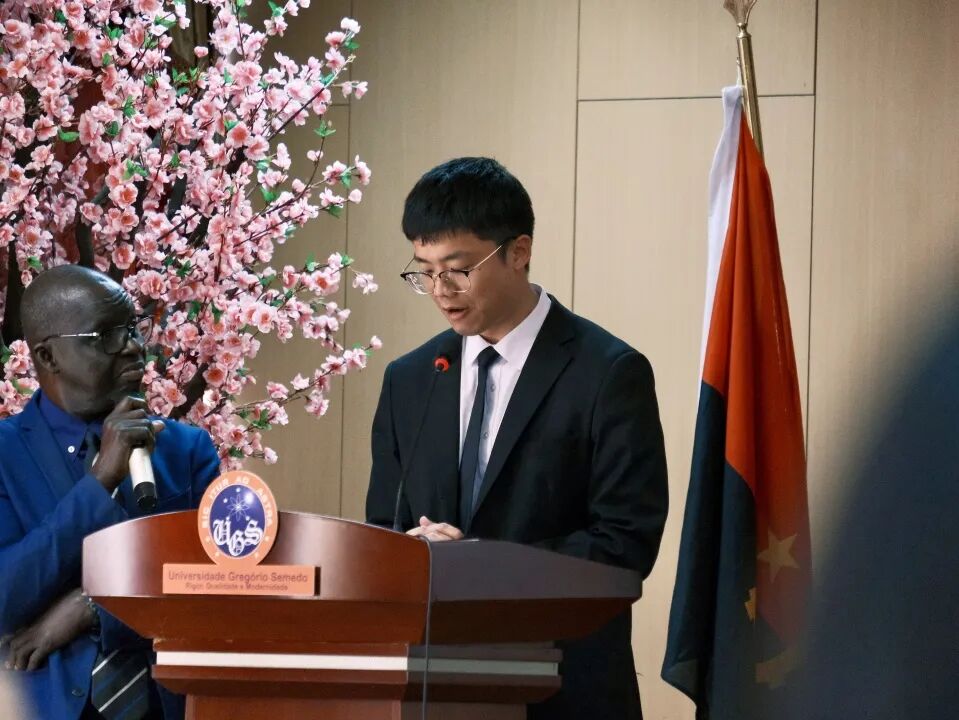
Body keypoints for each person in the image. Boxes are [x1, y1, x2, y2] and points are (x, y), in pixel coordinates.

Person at [366, 157, 669, 720]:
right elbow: (383, 528)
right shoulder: (409, 380)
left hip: (566, 691)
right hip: (435, 691)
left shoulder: (608, 372)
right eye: (424, 271)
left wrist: (477, 564)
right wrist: (413, 550)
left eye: (458, 269)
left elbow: (624, 544)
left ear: (519, 252)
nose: (440, 290)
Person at [0, 265, 221, 720]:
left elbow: (209, 593)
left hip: (167, 703)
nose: (134, 347)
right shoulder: (5, 454)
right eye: (106, 336)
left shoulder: (187, 450)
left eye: (132, 329)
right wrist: (99, 481)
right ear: (47, 356)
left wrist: (94, 608)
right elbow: (5, 597)